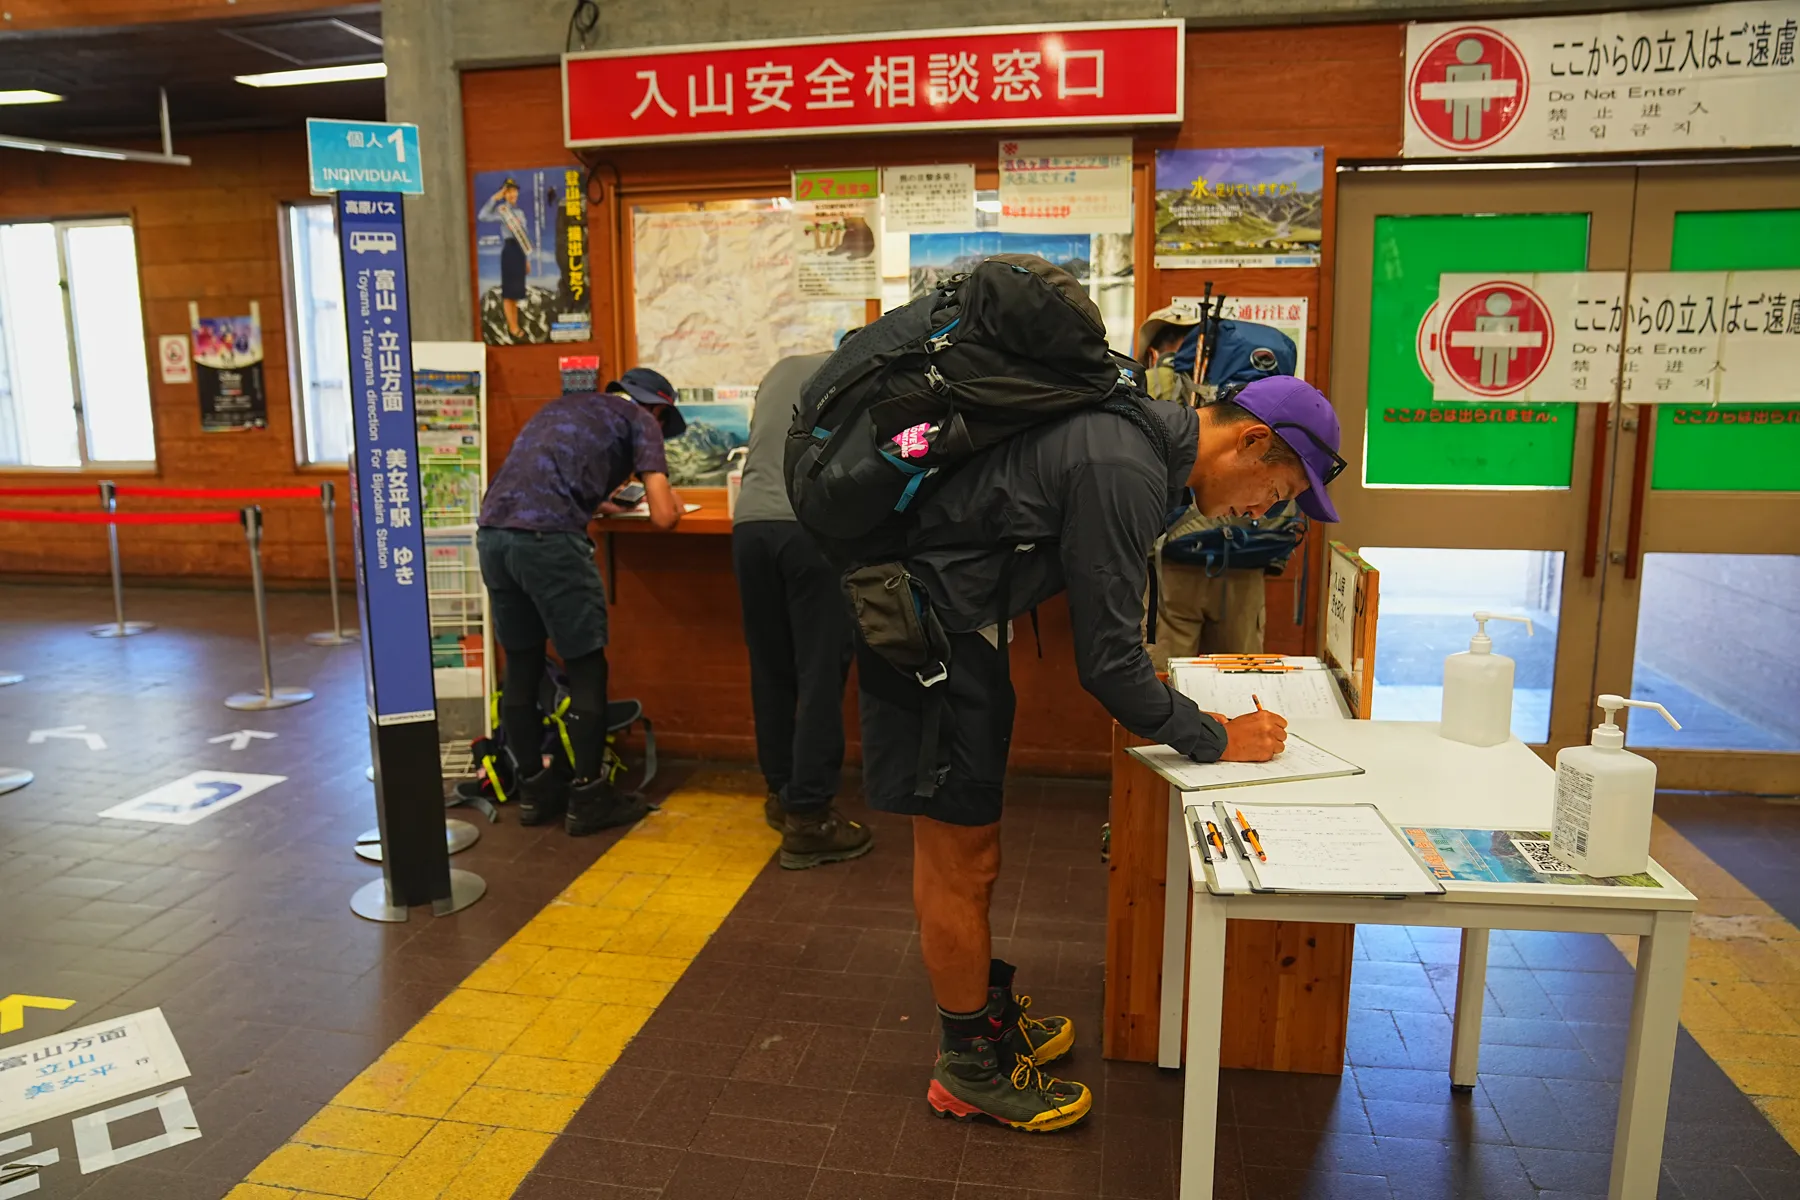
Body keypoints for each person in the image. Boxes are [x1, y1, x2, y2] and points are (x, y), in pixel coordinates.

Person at [855, 374, 1343, 1131]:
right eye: (1274, 490)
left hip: (959, 630)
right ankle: (968, 1067)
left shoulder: (1134, 443)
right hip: (925, 640)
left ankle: (982, 1020)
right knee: (960, 861)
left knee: (976, 852)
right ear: (1249, 440)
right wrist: (1217, 738)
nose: (1262, 512)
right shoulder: (1125, 467)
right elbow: (1108, 665)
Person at [476, 367, 685, 835]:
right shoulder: (642, 421)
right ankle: (589, 799)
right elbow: (665, 518)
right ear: (657, 407)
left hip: (493, 535)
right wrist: (662, 498)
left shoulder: (560, 406)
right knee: (586, 667)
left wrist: (601, 504)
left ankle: (534, 789)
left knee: (522, 667)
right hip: (549, 543)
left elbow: (545, 477)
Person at [732, 348, 873, 870]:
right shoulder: (861, 368)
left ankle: (782, 793)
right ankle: (810, 818)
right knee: (819, 673)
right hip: (808, 529)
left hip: (749, 527)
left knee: (770, 668)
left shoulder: (780, 368)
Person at [479, 178, 532, 341]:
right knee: (509, 293)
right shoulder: (502, 210)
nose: (512, 194)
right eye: (508, 191)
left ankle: (515, 325)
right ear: (504, 194)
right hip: (509, 251)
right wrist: (495, 198)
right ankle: (513, 328)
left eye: (514, 190)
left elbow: (524, 236)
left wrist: (526, 259)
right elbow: (483, 216)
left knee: (516, 292)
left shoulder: (521, 213)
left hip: (519, 252)